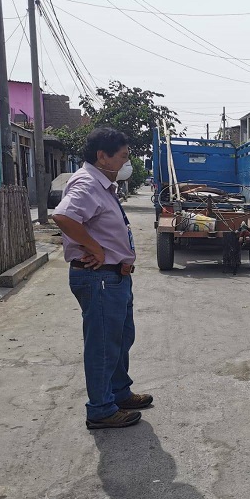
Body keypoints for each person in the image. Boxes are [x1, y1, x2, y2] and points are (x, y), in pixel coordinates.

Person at [52, 128, 152, 430]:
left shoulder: (102, 184)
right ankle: (101, 409)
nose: (126, 163)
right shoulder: (86, 183)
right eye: (122, 157)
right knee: (104, 345)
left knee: (120, 339)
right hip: (100, 278)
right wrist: (95, 248)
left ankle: (119, 393)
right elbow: (63, 216)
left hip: (114, 278)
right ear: (102, 156)